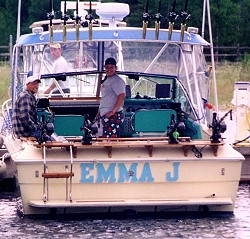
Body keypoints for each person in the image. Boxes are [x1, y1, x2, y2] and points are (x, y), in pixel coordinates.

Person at [97, 57, 126, 138]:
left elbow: (121, 95)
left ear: (115, 68)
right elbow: (105, 98)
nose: (109, 69)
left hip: (113, 116)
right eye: (107, 67)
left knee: (111, 140)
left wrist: (113, 112)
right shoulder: (107, 80)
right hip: (105, 115)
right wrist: (99, 113)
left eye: (111, 67)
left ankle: (111, 151)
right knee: (104, 138)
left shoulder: (117, 81)